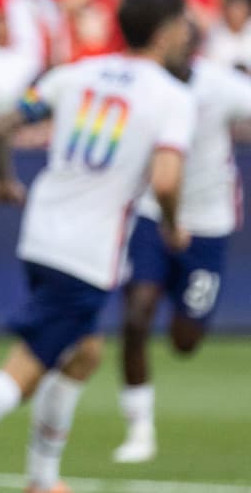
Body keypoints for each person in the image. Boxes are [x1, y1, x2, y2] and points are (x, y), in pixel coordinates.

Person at [0, 0, 196, 493]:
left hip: (41, 234)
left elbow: (4, 124)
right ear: (163, 32)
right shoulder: (173, 96)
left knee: (84, 351)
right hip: (87, 253)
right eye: (183, 24)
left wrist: (3, 179)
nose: (189, 33)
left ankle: (42, 480)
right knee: (25, 368)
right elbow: (165, 180)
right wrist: (173, 225)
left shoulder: (76, 73)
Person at [115, 25, 251, 463]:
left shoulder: (221, 86)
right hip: (153, 212)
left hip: (208, 223)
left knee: (185, 341)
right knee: (135, 317)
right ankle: (139, 429)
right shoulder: (144, 82)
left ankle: (183, 308)